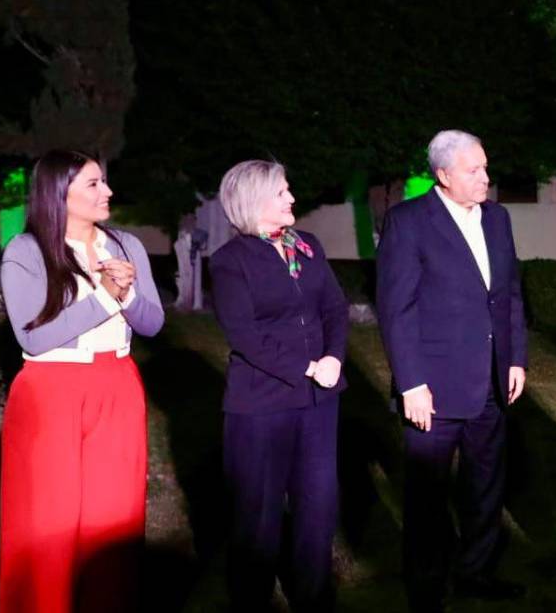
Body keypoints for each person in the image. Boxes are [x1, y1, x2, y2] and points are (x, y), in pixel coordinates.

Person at [0, 149, 164, 613]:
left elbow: (152, 324)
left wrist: (128, 296)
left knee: (112, 520)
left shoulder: (126, 244)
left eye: (104, 182)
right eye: (93, 183)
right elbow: (34, 334)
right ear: (59, 193)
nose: (107, 191)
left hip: (118, 385)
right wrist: (107, 299)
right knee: (48, 521)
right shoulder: (26, 251)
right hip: (51, 391)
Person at [376, 130, 528, 613]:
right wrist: (411, 384)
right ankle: (425, 587)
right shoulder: (408, 222)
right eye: (474, 170)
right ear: (443, 175)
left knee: (486, 489)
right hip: (432, 390)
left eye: (485, 167)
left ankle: (476, 574)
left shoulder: (498, 219)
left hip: (491, 382)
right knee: (426, 497)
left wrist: (517, 357)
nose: (486, 177)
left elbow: (509, 296)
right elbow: (396, 309)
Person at [210, 159, 348, 612]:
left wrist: (332, 358)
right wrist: (308, 366)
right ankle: (251, 598)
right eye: (282, 192)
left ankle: (312, 596)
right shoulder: (231, 262)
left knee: (317, 506)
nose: (292, 199)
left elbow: (334, 309)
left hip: (318, 402)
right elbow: (245, 335)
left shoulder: (307, 246)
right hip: (261, 406)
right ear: (254, 201)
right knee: (258, 516)